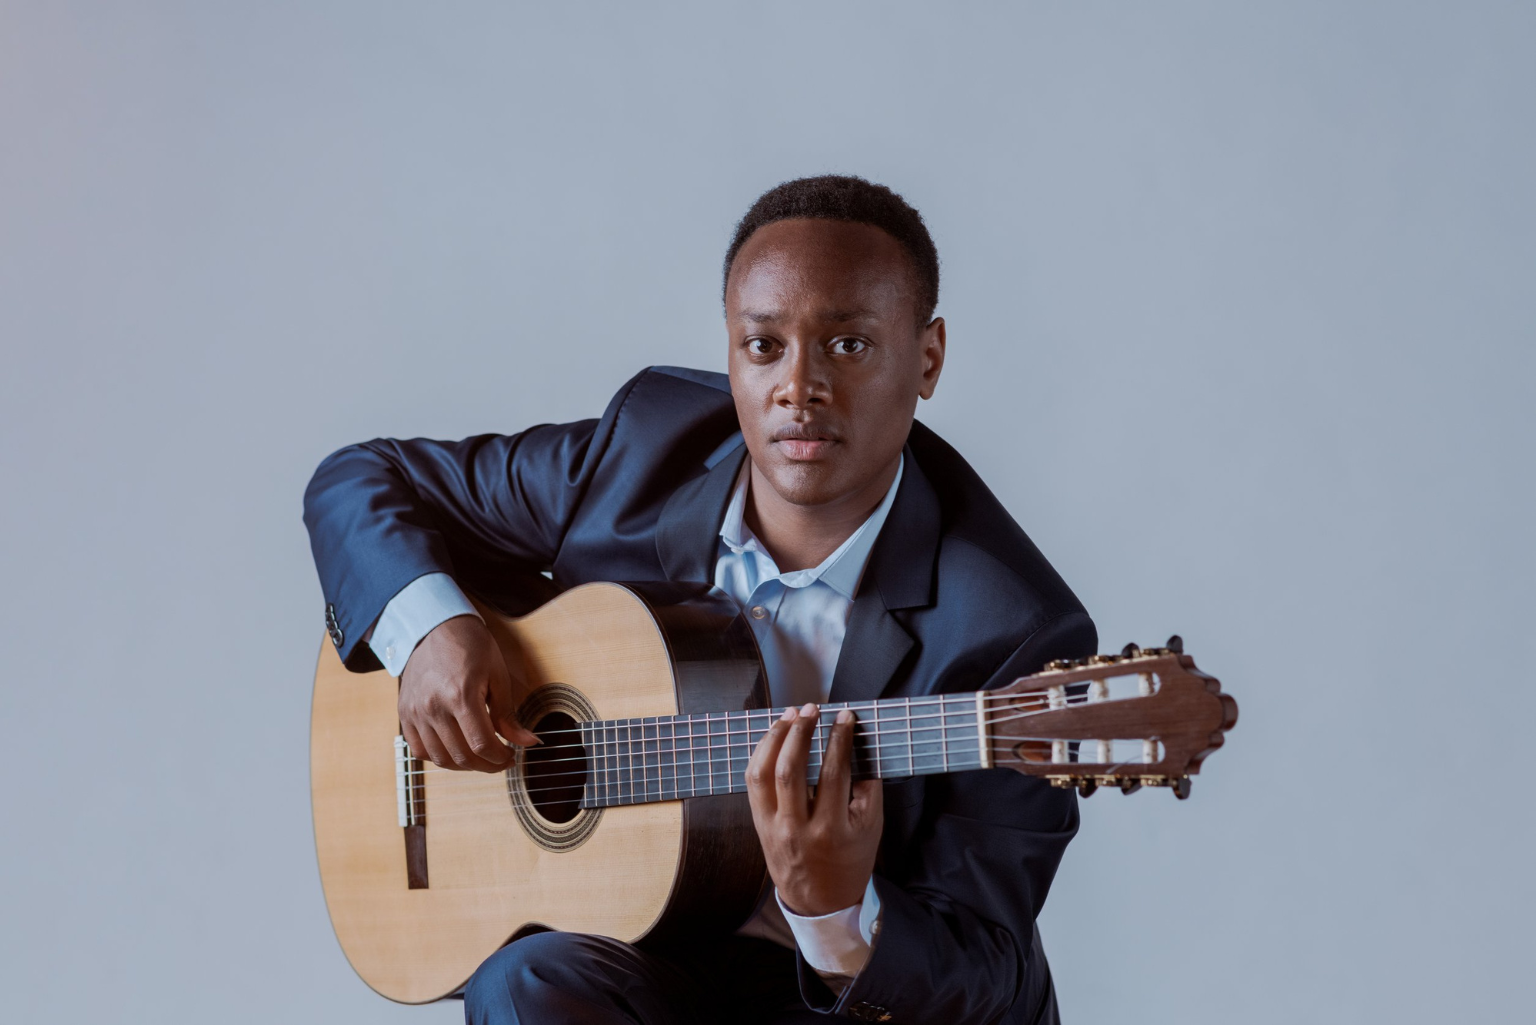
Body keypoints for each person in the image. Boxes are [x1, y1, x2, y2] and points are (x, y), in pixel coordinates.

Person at [304, 175, 1096, 1024]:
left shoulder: (1014, 631)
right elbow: (363, 481)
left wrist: (837, 912)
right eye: (764, 346)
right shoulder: (643, 456)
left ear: (927, 357)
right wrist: (432, 630)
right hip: (649, 965)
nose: (799, 386)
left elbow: (987, 969)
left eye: (849, 345)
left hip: (842, 999)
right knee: (526, 984)